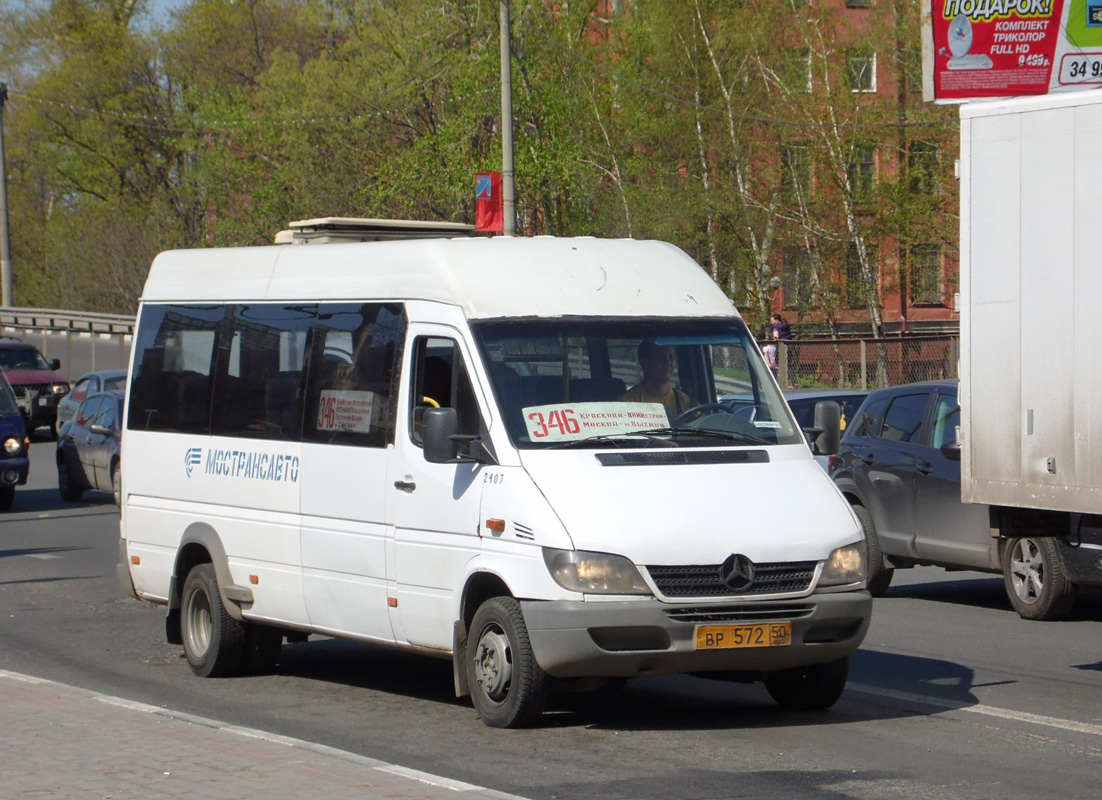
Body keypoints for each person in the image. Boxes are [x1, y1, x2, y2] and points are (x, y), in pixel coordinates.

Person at [618, 340, 691, 419]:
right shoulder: (626, 403)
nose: (667, 362)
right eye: (660, 357)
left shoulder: (686, 402)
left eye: (670, 357)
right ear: (643, 362)